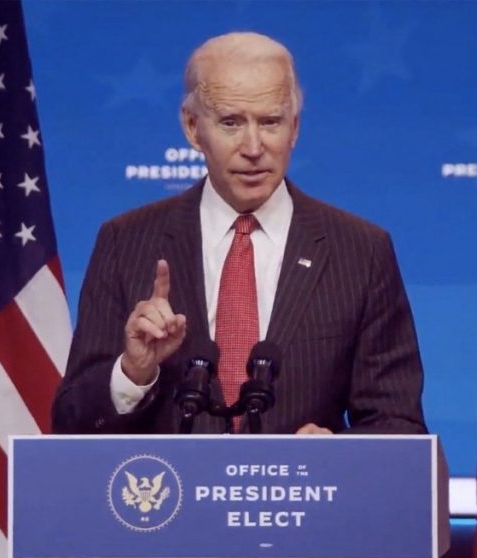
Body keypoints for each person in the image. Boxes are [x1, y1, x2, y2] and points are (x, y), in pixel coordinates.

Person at [52, 31, 426, 436]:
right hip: (170, 495)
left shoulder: (360, 251)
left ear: (295, 128)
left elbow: (399, 422)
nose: (253, 146)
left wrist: (338, 454)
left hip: (300, 496)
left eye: (270, 122)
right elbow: (72, 422)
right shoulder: (125, 242)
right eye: (231, 122)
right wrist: (133, 371)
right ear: (193, 128)